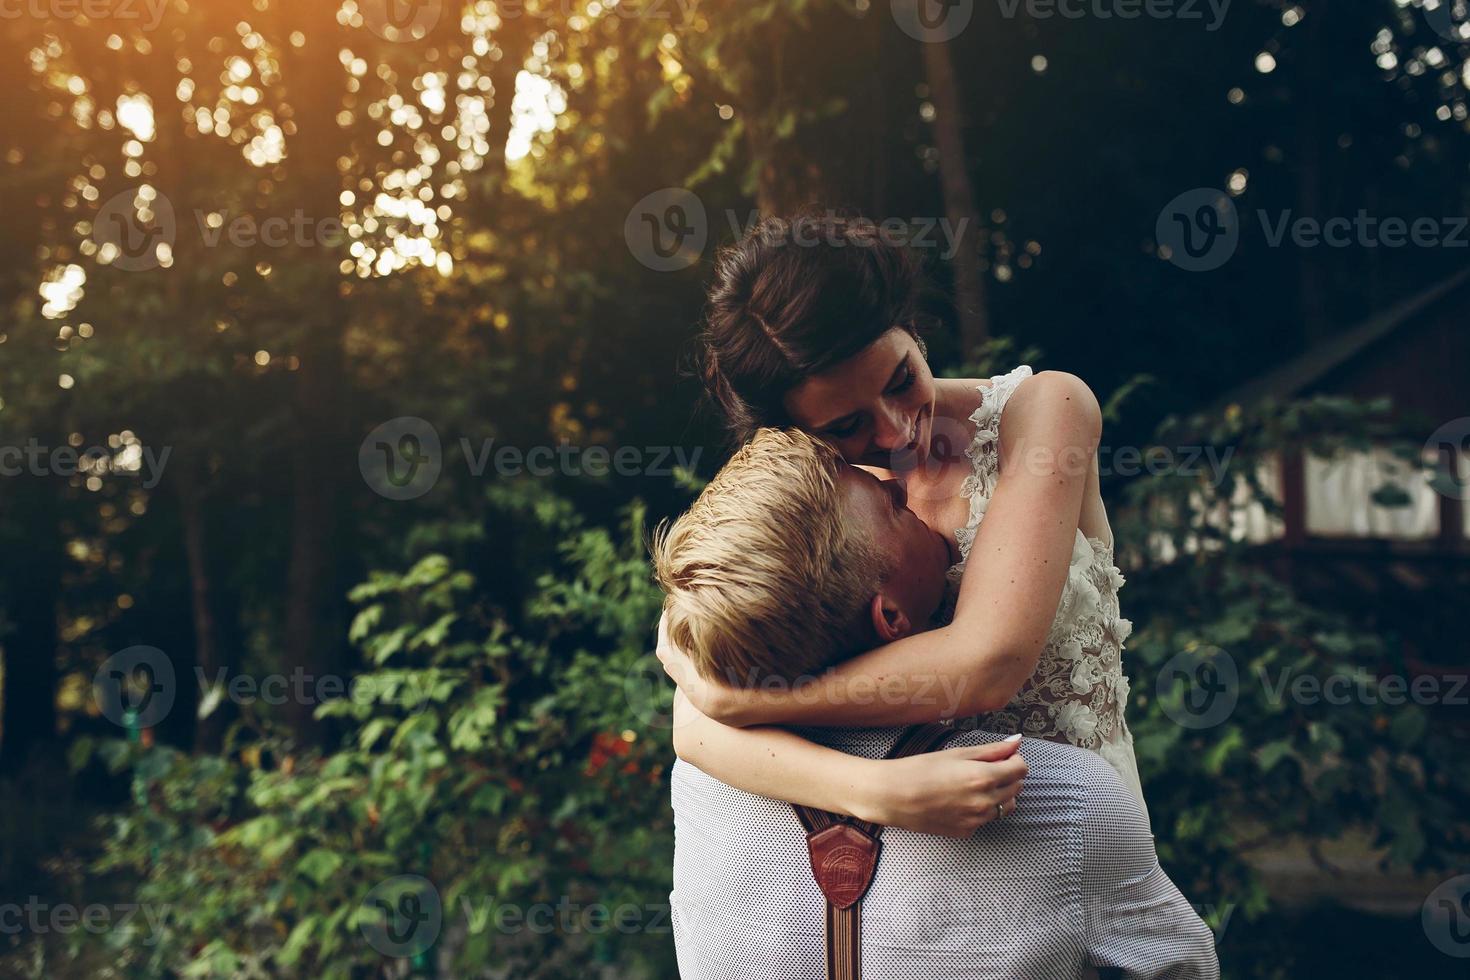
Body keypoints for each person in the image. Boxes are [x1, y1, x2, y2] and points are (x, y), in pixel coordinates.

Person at [655, 429, 1219, 979]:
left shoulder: (703, 782)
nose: (898, 486)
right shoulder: (1058, 799)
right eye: (892, 511)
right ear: (892, 618)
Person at [656, 211, 1147, 835]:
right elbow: (693, 720)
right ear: (791, 427)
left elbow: (988, 665)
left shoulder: (1046, 412)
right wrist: (873, 790)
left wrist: (749, 698)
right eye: (844, 426)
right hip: (924, 882)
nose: (894, 431)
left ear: (910, 329)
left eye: (901, 379)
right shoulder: (803, 489)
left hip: (1088, 838)